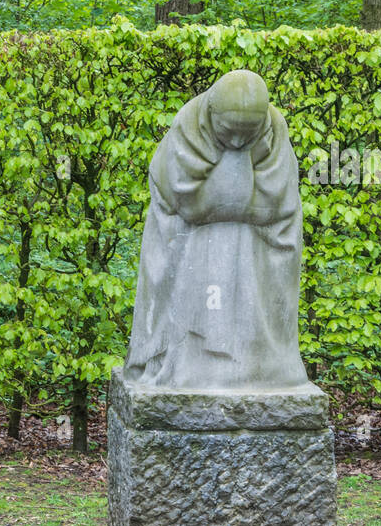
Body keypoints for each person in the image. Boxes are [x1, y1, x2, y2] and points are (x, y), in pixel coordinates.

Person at [124, 69, 309, 390]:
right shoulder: (187, 127)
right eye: (229, 130)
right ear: (211, 111)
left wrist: (232, 203)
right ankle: (193, 360)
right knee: (214, 237)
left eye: (247, 132)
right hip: (190, 247)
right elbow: (187, 205)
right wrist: (228, 203)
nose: (237, 142)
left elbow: (278, 205)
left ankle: (256, 363)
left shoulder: (275, 132)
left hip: (262, 246)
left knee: (235, 236)